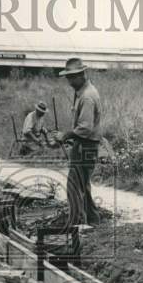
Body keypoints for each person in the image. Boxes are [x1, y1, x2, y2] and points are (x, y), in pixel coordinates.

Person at [52, 58, 101, 227]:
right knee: (82, 184)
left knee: (74, 186)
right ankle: (93, 218)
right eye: (68, 77)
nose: (69, 81)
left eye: (72, 77)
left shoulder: (87, 97)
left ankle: (77, 225)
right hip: (84, 145)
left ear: (81, 75)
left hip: (85, 145)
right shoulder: (83, 92)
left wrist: (65, 136)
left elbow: (85, 128)